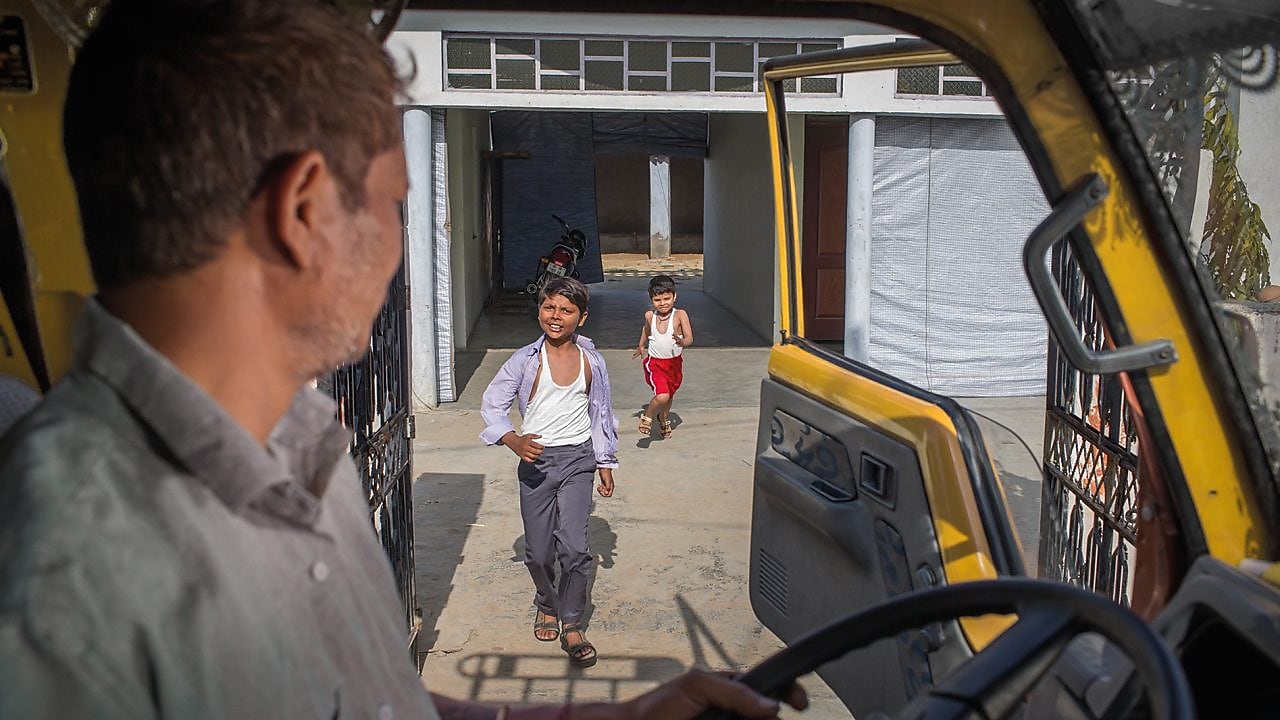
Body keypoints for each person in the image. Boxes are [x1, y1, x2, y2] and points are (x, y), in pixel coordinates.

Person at [0, 2, 806, 719]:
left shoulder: (301, 446)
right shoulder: (62, 598)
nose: (396, 248)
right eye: (392, 203)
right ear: (305, 212)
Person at [480, 277, 615, 669]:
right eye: (549, 307)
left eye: (566, 310)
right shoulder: (523, 361)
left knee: (574, 547)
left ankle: (571, 621)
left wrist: (604, 463)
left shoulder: (593, 361)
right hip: (535, 464)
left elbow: (602, 414)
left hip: (578, 460)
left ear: (582, 318)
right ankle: (546, 601)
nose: (556, 316)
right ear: (539, 310)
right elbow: (492, 405)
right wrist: (514, 441)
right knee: (538, 554)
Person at [632, 275, 694, 439]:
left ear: (675, 297)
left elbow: (689, 338)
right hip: (655, 363)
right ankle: (648, 417)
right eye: (657, 299)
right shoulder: (650, 317)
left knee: (669, 394)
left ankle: (664, 416)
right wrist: (641, 345)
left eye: (667, 298)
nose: (663, 303)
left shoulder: (680, 315)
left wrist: (682, 341)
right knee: (663, 394)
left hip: (674, 364)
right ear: (652, 300)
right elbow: (646, 330)